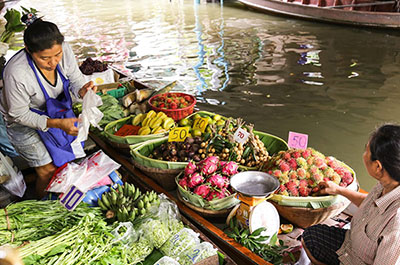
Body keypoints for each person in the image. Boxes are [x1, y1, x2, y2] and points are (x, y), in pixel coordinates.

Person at [0, 13, 96, 198]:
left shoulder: (64, 50)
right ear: (28, 50)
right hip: (21, 122)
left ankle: (63, 201)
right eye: (45, 58)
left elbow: (75, 80)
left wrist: (82, 92)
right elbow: (18, 114)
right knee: (48, 170)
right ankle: (44, 207)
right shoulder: (17, 73)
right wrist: (57, 124)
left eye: (57, 54)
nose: (53, 62)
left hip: (55, 113)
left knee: (65, 163)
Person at [301, 124, 400, 265]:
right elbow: (371, 205)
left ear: (378, 167)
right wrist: (338, 190)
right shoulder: (389, 182)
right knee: (310, 237)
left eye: (366, 151)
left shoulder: (397, 223)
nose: (364, 155)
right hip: (350, 246)